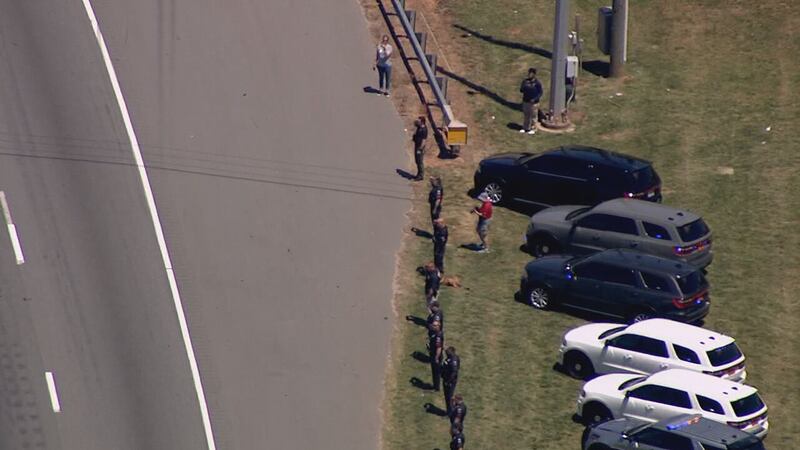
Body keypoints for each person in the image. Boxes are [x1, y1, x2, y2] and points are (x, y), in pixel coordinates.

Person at [519, 68, 543, 134]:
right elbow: (521, 90)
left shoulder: (537, 83)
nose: (530, 74)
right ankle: (525, 127)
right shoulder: (525, 81)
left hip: (534, 103)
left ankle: (533, 128)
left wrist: (535, 99)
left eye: (532, 73)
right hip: (526, 101)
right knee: (526, 115)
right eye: (529, 73)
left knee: (533, 116)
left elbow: (540, 92)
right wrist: (524, 88)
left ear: (534, 74)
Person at [442, 346, 460, 414]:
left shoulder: (453, 360)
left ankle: (450, 413)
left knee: (449, 397)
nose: (446, 353)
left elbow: (454, 372)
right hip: (446, 379)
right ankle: (448, 411)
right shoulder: (452, 357)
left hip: (450, 381)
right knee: (447, 397)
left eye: (447, 353)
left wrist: (448, 382)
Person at [428, 321, 444, 391]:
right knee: (434, 371)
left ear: (438, 326)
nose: (433, 326)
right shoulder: (435, 333)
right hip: (433, 353)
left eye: (434, 325)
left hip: (436, 356)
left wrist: (436, 357)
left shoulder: (438, 336)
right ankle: (434, 385)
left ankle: (436, 388)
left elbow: (439, 348)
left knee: (436, 372)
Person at [412, 116, 428, 181]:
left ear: (422, 122)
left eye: (419, 121)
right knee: (417, 161)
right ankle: (418, 174)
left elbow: (424, 140)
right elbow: (414, 123)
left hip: (420, 147)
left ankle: (421, 176)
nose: (418, 121)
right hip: (417, 145)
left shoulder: (424, 130)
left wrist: (420, 149)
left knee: (419, 161)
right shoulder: (419, 127)